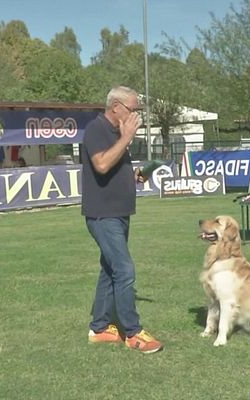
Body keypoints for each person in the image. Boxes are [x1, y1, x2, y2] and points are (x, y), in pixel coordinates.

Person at [80, 86, 163, 354]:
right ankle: (133, 332)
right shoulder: (96, 129)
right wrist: (126, 137)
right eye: (132, 109)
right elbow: (102, 164)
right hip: (103, 215)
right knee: (124, 270)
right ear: (116, 106)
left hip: (119, 213)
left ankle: (100, 328)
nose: (136, 115)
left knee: (110, 269)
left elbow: (113, 168)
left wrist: (136, 174)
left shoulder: (116, 134)